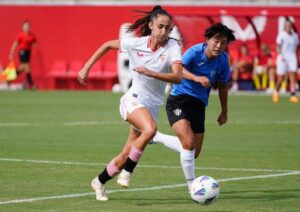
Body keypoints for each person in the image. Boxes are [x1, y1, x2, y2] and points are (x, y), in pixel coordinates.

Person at [77, 5, 182, 201]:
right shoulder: (136, 43)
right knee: (150, 130)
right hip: (132, 101)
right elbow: (107, 45)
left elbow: (177, 77)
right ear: (150, 25)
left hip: (152, 107)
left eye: (168, 28)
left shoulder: (172, 47)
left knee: (127, 153)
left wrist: (153, 73)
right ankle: (128, 172)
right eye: (160, 26)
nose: (164, 31)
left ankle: (98, 182)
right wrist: (86, 67)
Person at [151, 23, 236, 195]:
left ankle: (157, 137)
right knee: (188, 143)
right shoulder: (195, 52)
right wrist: (196, 78)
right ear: (208, 40)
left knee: (193, 152)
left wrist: (224, 111)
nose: (219, 46)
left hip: (199, 106)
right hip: (178, 101)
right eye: (216, 41)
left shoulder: (223, 61)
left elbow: (223, 86)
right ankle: (193, 187)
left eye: (224, 43)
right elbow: (178, 69)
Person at [273, 19, 299, 103]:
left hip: (292, 57)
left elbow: (297, 48)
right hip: (283, 58)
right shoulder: (282, 35)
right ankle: (276, 91)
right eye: (286, 26)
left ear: (291, 26)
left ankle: (293, 95)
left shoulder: (295, 36)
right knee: (281, 77)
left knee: (292, 76)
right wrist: (281, 55)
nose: (288, 27)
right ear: (284, 27)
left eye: (289, 25)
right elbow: (278, 46)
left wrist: (298, 58)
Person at [9, 20, 37, 90]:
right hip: (22, 52)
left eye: (28, 26)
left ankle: (9, 77)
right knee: (27, 67)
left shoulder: (32, 36)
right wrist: (11, 53)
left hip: (28, 53)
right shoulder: (20, 35)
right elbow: (15, 44)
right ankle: (31, 84)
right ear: (22, 27)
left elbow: (34, 44)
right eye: (25, 26)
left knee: (22, 68)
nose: (26, 27)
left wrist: (33, 44)